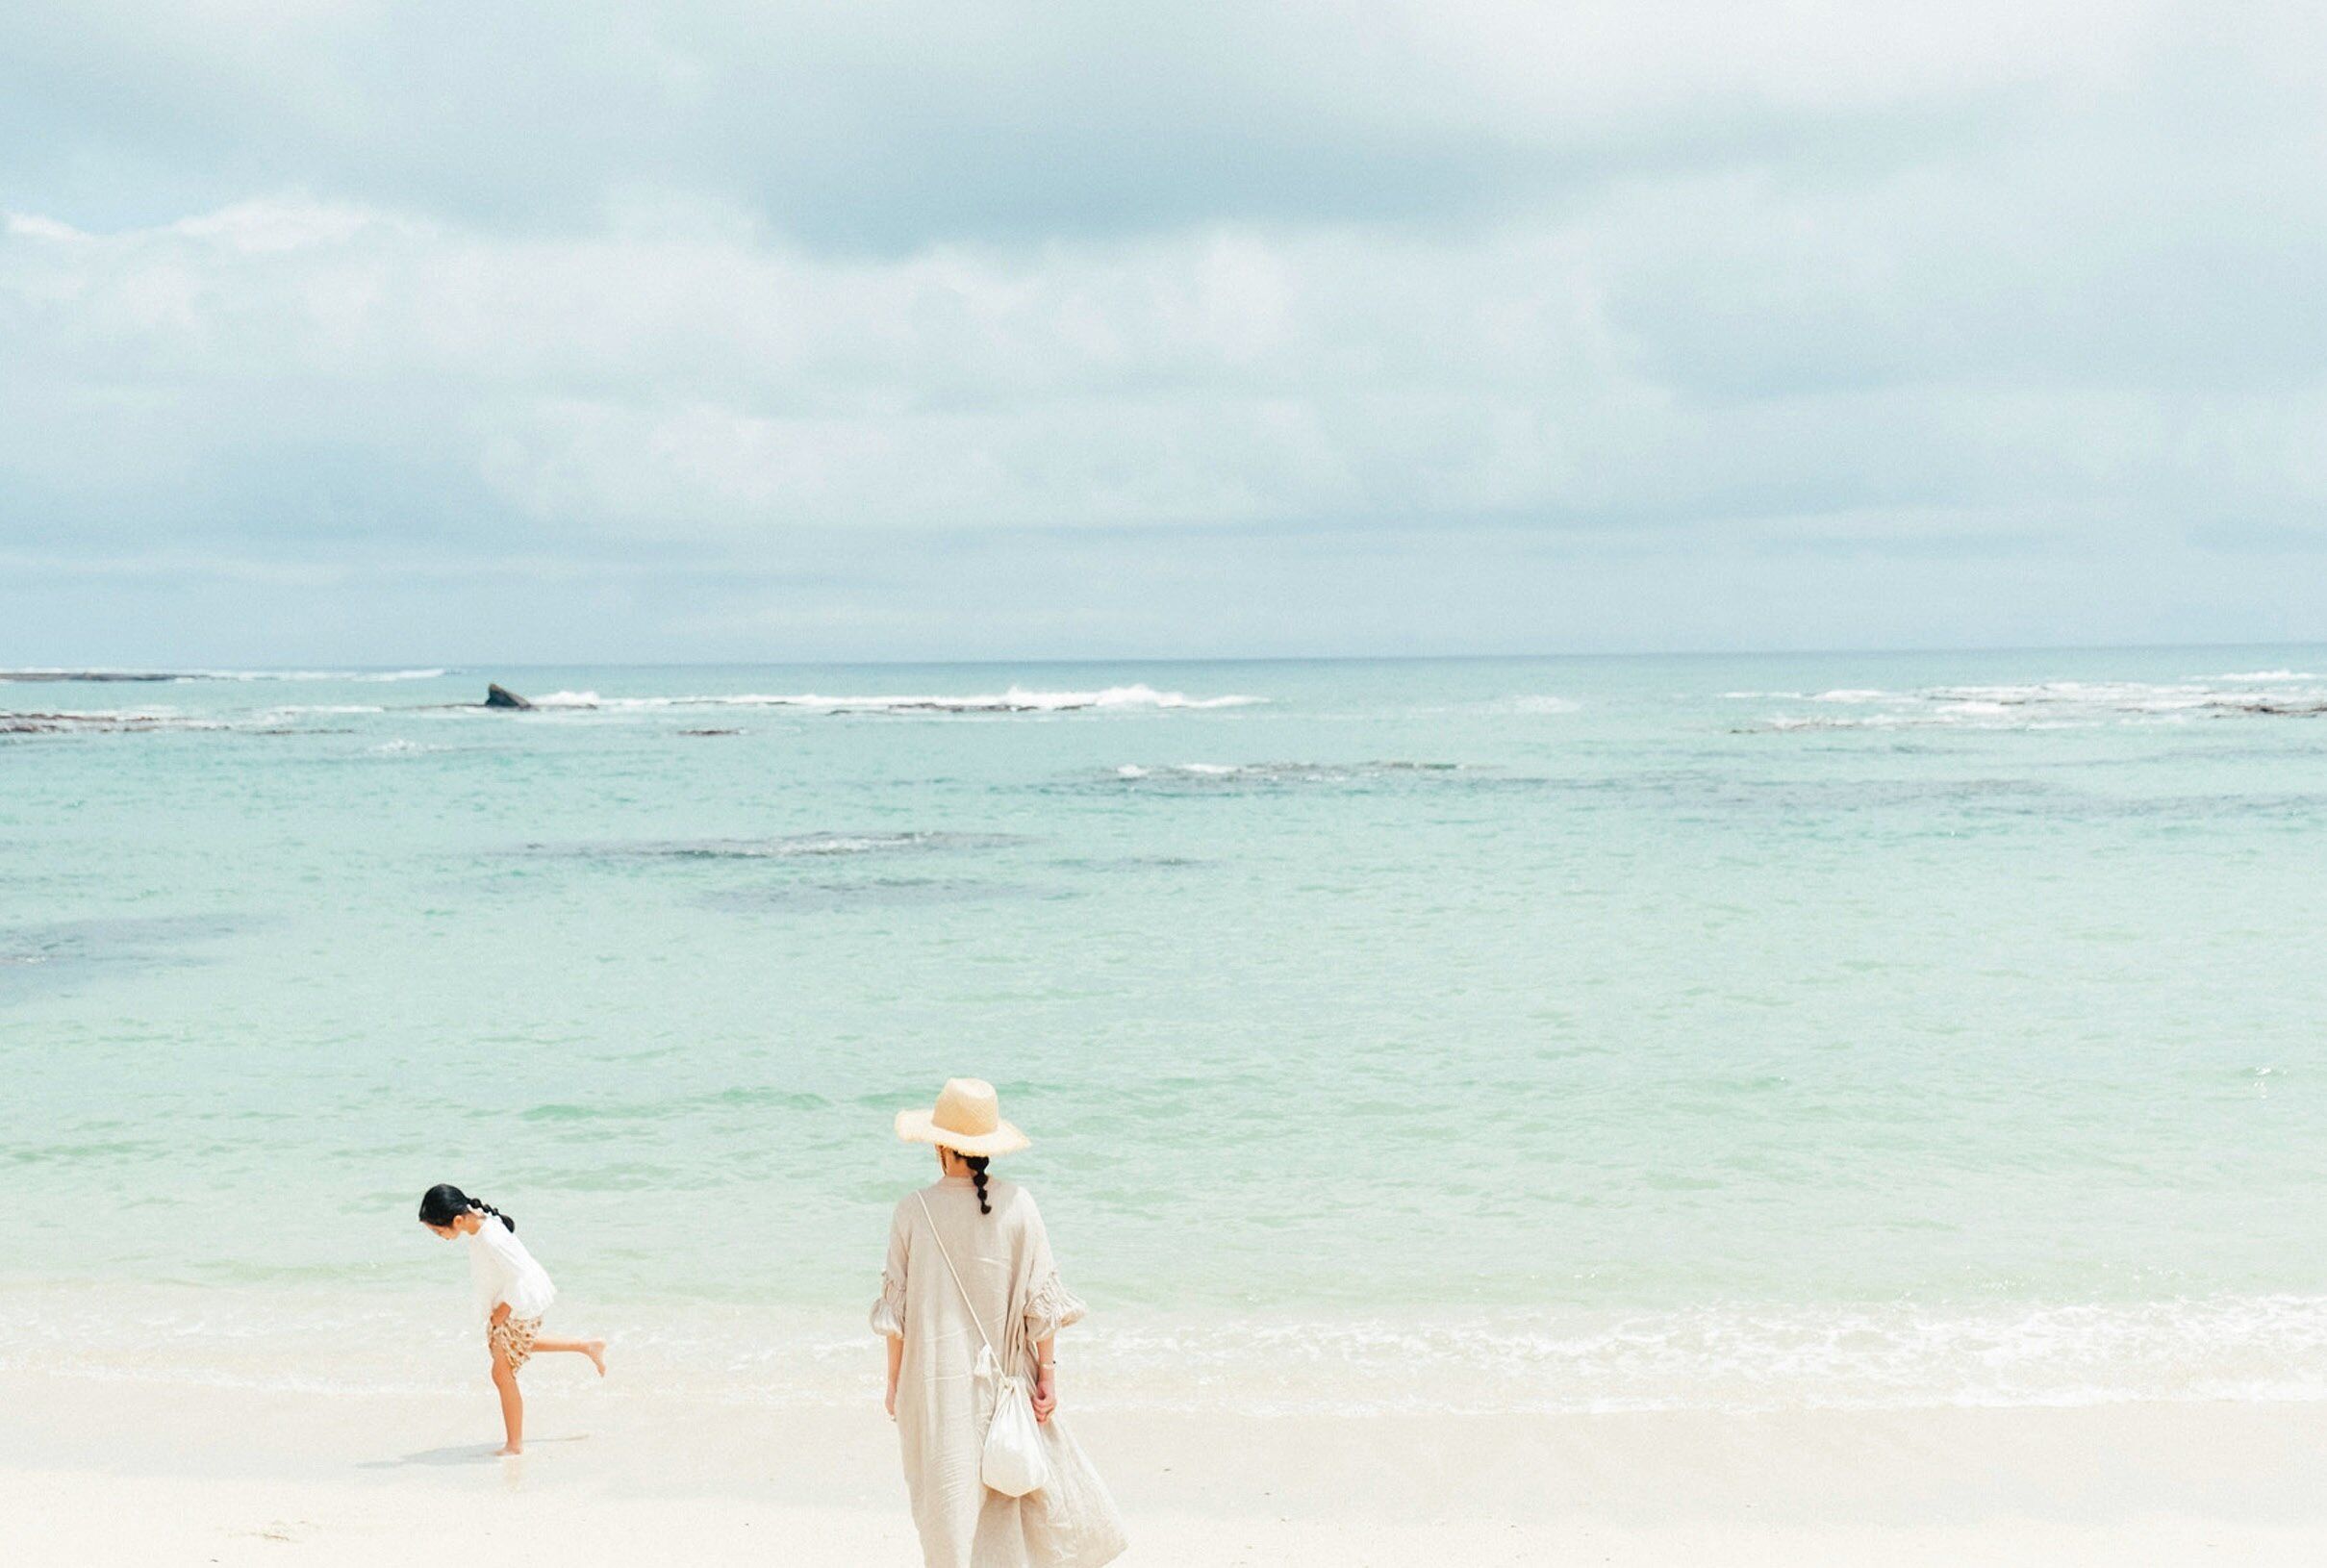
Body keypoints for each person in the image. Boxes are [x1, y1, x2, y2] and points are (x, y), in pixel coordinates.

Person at [873, 1079, 1126, 1567]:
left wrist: (892, 1384)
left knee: (945, 1513)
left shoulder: (911, 1211)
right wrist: (1048, 1378)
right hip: (1008, 1386)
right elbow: (1041, 1306)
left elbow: (896, 1318)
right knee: (1006, 1503)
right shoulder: (1019, 1206)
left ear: (940, 1143)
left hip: (934, 1387)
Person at [417, 1183, 606, 1454]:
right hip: (513, 1301)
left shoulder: (489, 1236)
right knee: (515, 1347)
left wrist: (503, 1311)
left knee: (501, 1372)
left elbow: (520, 1274)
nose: (439, 1236)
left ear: (457, 1220)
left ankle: (514, 1445)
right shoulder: (479, 1223)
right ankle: (587, 1346)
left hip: (520, 1303)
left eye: (438, 1231)